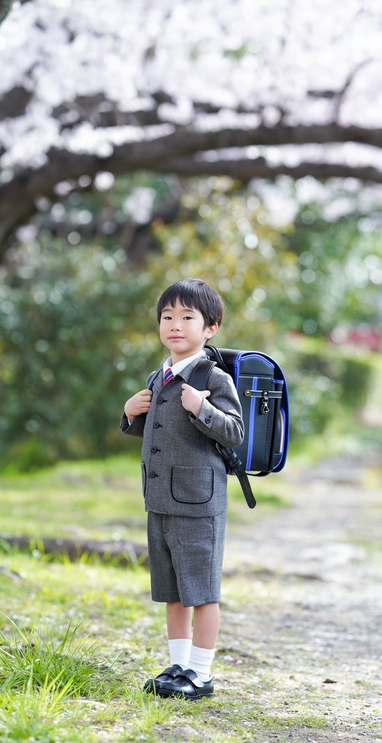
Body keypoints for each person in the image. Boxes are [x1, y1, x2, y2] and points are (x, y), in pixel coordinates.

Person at [120, 278, 245, 701]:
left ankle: (201, 673)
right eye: (167, 317)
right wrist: (130, 414)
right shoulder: (160, 375)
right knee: (172, 591)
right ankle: (178, 667)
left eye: (187, 317)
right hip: (160, 500)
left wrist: (202, 407)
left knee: (202, 592)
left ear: (210, 328)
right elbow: (161, 432)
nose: (175, 325)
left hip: (198, 501)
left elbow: (234, 432)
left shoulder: (213, 376)